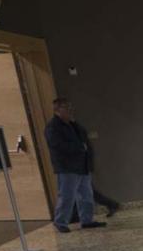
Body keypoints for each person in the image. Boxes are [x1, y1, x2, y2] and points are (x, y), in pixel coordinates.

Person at [44, 97, 106, 233]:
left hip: (81, 166)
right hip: (67, 167)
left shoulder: (72, 125)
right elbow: (57, 146)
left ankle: (87, 220)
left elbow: (83, 137)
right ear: (57, 110)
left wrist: (75, 125)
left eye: (71, 107)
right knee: (67, 195)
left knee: (86, 195)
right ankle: (60, 222)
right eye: (66, 108)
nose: (70, 110)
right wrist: (79, 147)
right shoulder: (53, 127)